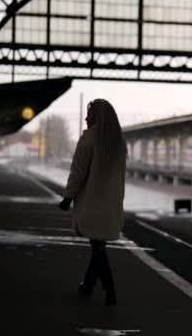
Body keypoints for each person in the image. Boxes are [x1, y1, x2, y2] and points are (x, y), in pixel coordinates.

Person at [58, 98, 127, 306]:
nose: (86, 118)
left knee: (98, 247)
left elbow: (78, 172)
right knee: (98, 244)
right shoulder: (119, 141)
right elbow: (122, 177)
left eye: (90, 114)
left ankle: (110, 290)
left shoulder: (89, 139)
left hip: (92, 203)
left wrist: (68, 197)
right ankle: (88, 285)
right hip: (111, 204)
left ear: (98, 117)